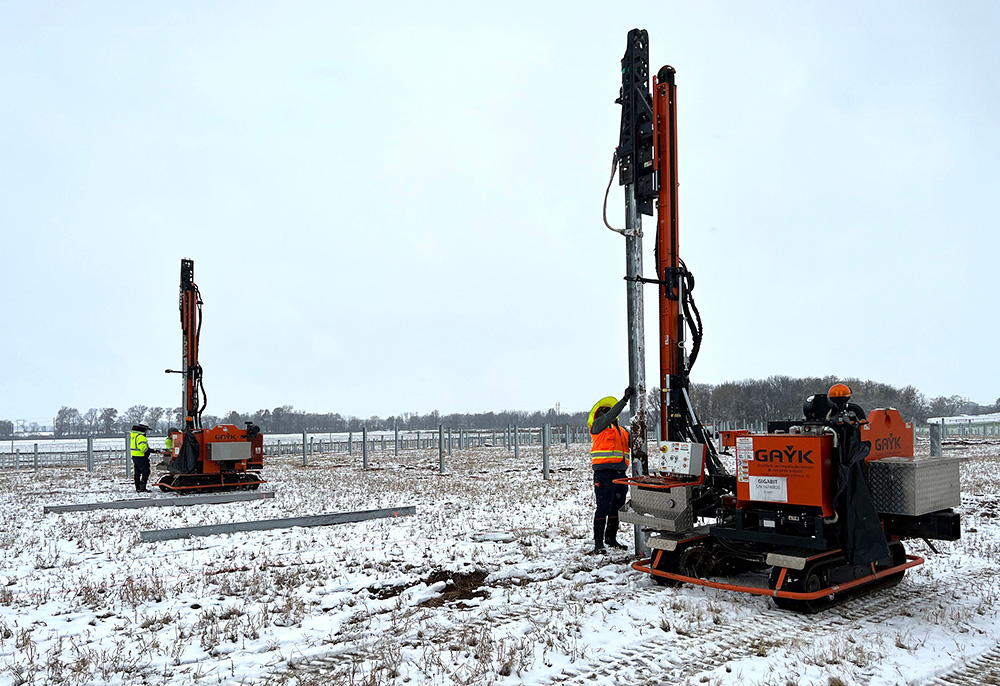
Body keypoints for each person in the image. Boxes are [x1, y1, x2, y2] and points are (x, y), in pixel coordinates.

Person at [588, 387, 634, 554]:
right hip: (604, 474)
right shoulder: (598, 427)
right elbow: (609, 416)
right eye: (606, 412)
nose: (609, 415)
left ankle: (610, 538)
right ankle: (598, 543)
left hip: (620, 474)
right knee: (603, 508)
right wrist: (624, 400)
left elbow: (634, 442)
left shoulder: (622, 431)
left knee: (616, 508)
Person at [129, 423, 152, 492]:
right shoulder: (141, 437)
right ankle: (142, 487)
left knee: (137, 472)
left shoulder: (134, 436)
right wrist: (150, 451)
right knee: (146, 471)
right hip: (141, 456)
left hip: (135, 456)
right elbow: (144, 448)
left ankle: (138, 487)